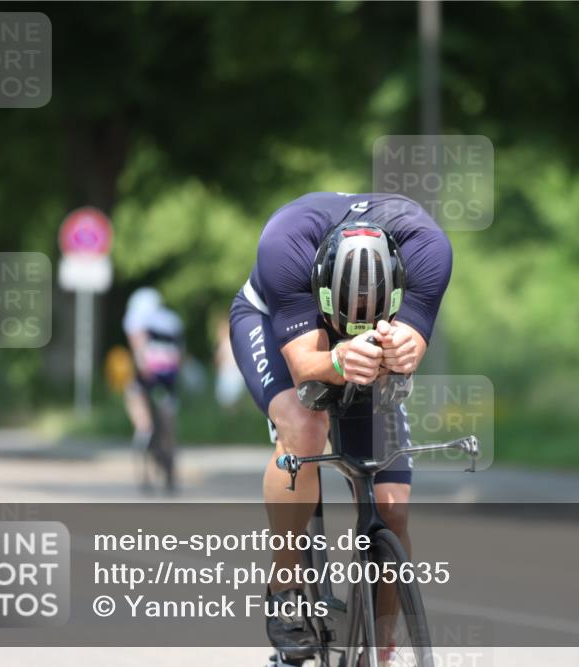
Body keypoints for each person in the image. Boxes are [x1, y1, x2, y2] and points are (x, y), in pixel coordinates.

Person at [229, 192, 452, 660]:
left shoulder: (428, 250)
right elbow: (306, 367)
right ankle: (285, 590)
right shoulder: (284, 245)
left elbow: (412, 344)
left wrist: (403, 349)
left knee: (391, 507)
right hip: (278, 325)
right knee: (305, 429)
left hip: (361, 343)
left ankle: (380, 637)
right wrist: (337, 355)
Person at [123, 288, 184, 450]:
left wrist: (143, 365)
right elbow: (180, 350)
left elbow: (139, 344)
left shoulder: (136, 319)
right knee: (169, 404)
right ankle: (169, 437)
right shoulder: (172, 319)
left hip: (150, 367)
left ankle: (144, 427)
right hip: (170, 369)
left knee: (133, 391)